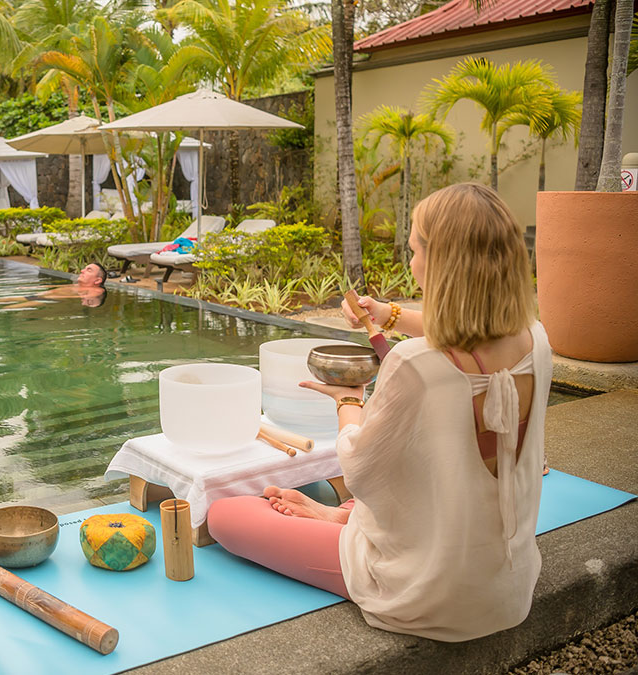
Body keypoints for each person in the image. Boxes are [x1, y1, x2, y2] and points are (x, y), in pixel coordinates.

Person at [206, 183, 552, 642]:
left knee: (226, 516)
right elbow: (478, 327)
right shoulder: (536, 340)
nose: (411, 263)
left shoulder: (419, 365)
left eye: (414, 250)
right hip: (507, 585)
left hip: (429, 592)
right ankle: (339, 518)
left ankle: (343, 523)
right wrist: (388, 314)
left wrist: (348, 400)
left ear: (442, 264)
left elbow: (359, 467)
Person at [0, 262, 108, 309]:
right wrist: (35, 288)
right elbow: (59, 289)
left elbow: (81, 299)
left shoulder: (96, 291)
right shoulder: (78, 286)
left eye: (89, 270)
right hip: (42, 296)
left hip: (47, 301)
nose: (82, 270)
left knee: (6, 308)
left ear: (97, 280)